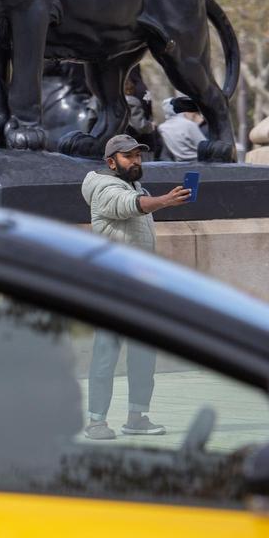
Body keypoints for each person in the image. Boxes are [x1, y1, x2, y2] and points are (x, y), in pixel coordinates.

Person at [80, 135, 191, 440]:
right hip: (112, 286)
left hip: (141, 285)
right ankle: (96, 422)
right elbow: (128, 206)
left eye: (139, 156)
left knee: (144, 353)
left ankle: (137, 417)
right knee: (107, 353)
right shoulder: (103, 189)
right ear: (111, 162)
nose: (136, 161)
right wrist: (163, 201)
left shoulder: (136, 187)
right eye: (128, 157)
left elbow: (136, 205)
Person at [157, 96, 206, 162]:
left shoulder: (163, 127)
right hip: (199, 163)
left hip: (179, 165)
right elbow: (205, 148)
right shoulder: (189, 125)